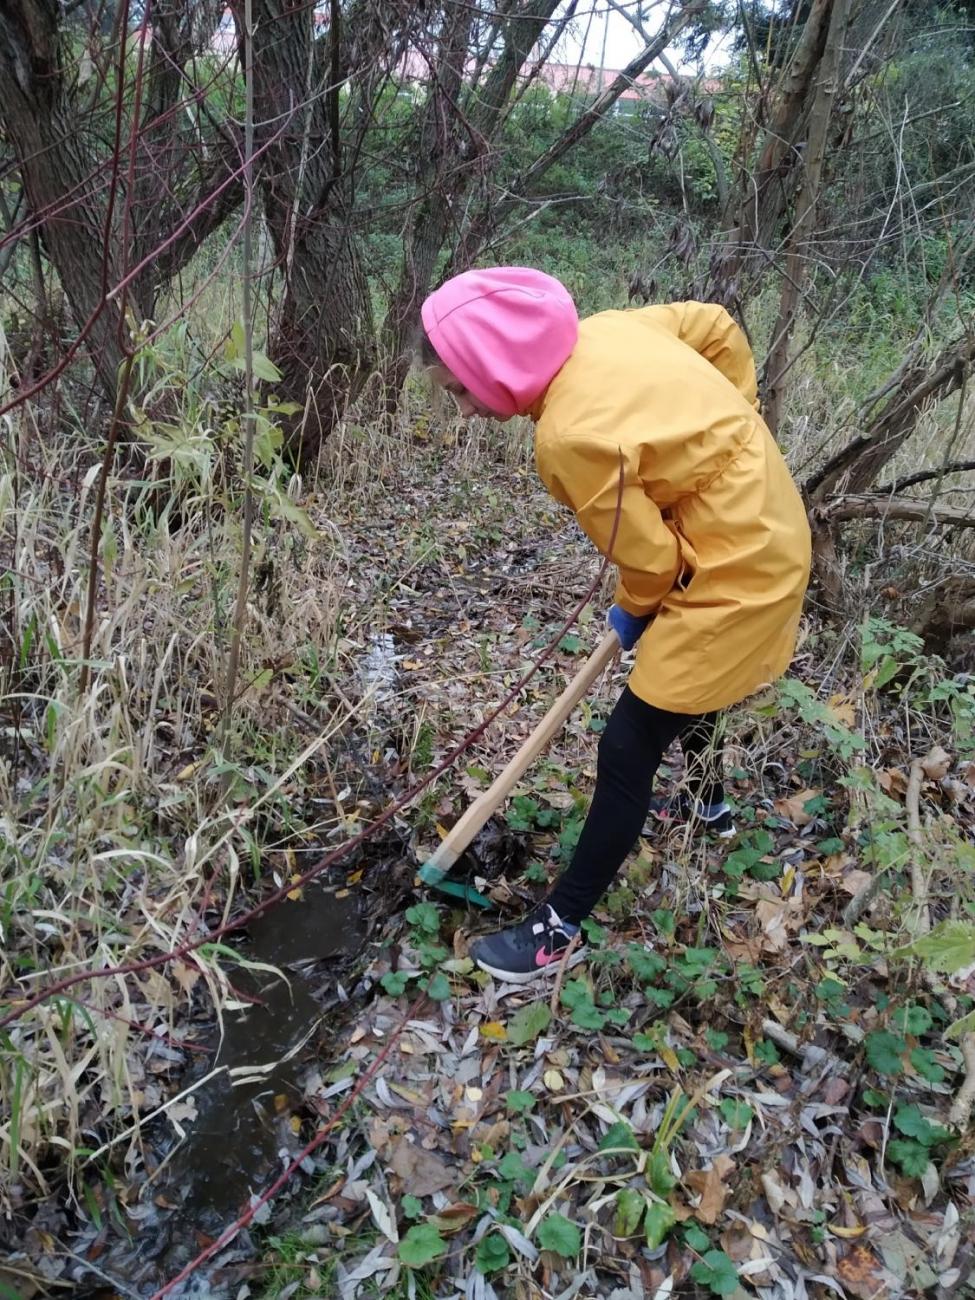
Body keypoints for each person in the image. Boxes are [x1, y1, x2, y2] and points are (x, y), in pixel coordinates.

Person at [420, 267, 811, 983]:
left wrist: (635, 606)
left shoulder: (568, 436)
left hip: (738, 570)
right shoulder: (611, 329)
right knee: (684, 682)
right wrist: (740, 426)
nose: (464, 411)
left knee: (629, 743)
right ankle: (708, 804)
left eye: (459, 390)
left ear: (496, 365)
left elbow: (654, 564)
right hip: (766, 517)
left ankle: (557, 927)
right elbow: (717, 325)